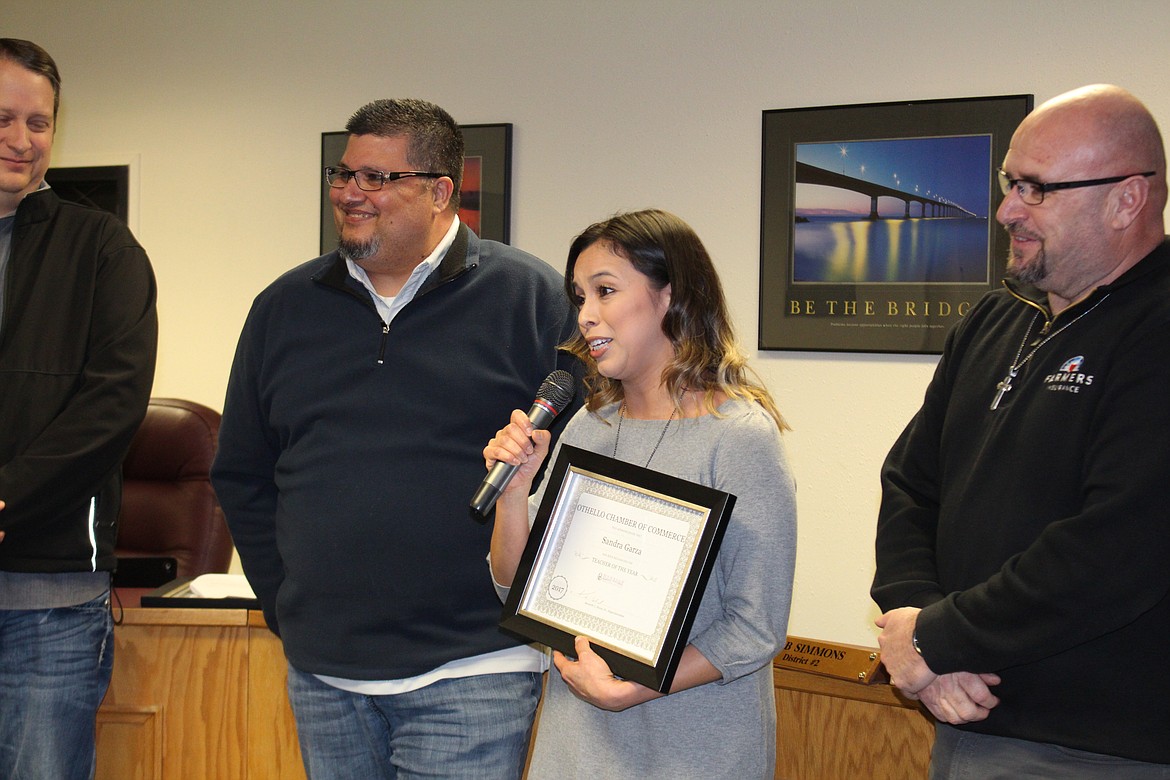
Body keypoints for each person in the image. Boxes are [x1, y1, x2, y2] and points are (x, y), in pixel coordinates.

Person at [211, 98, 581, 779]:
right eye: (343, 174)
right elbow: (242, 473)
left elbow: (582, 471)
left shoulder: (530, 299)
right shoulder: (284, 308)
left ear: (441, 192)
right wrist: (286, 602)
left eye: (377, 178)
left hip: (474, 666)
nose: (351, 193)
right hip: (324, 672)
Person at [872, 84, 1170, 777]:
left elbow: (1114, 549)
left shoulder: (1156, 331)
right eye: (1010, 184)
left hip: (1097, 748)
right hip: (959, 718)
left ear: (1127, 198)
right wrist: (916, 627)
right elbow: (911, 486)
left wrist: (938, 639)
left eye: (1036, 190)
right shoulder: (992, 322)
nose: (1006, 210)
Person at [484, 209, 797, 778]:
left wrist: (635, 689)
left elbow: (757, 626)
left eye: (605, 291)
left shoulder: (739, 438)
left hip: (692, 748)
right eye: (579, 298)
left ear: (670, 297)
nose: (586, 317)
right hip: (576, 745)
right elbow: (514, 585)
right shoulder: (587, 426)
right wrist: (514, 492)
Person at [0, 38, 158, 780]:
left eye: (38, 123)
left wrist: (5, 499)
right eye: (3, 117)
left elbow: (113, 405)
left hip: (48, 599)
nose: (21, 140)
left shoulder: (101, 248)